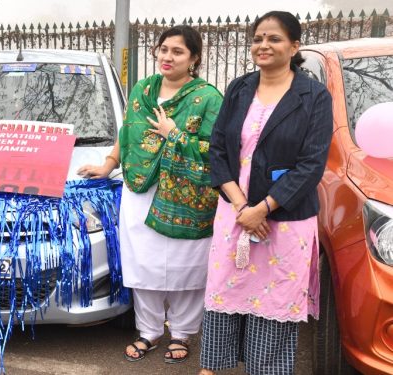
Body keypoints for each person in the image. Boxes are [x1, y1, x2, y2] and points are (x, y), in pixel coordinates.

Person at [77, 25, 223, 363]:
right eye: (164, 49)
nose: (168, 57)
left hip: (186, 195)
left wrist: (174, 136)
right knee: (144, 265)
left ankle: (183, 334)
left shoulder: (209, 97)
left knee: (186, 267)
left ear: (194, 58)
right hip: (140, 189)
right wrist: (108, 163)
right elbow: (127, 133)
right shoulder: (143, 89)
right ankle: (150, 332)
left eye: (178, 51)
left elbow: (217, 149)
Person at [199, 11, 333, 375]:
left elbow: (311, 164)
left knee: (273, 298)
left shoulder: (314, 96)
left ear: (294, 45)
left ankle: (266, 370)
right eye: (258, 38)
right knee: (228, 287)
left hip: (285, 219)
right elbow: (218, 151)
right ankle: (213, 366)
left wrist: (265, 208)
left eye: (274, 38)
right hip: (235, 210)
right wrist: (244, 207)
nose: (263, 45)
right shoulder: (239, 87)